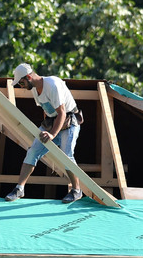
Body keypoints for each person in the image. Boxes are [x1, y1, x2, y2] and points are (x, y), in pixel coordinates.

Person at [5, 63, 85, 204]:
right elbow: (47, 111)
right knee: (33, 151)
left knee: (67, 155)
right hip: (53, 123)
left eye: (22, 82)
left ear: (29, 76)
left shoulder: (52, 85)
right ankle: (19, 188)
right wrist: (46, 128)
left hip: (69, 122)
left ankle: (76, 191)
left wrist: (52, 135)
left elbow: (62, 113)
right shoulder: (35, 89)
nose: (21, 86)